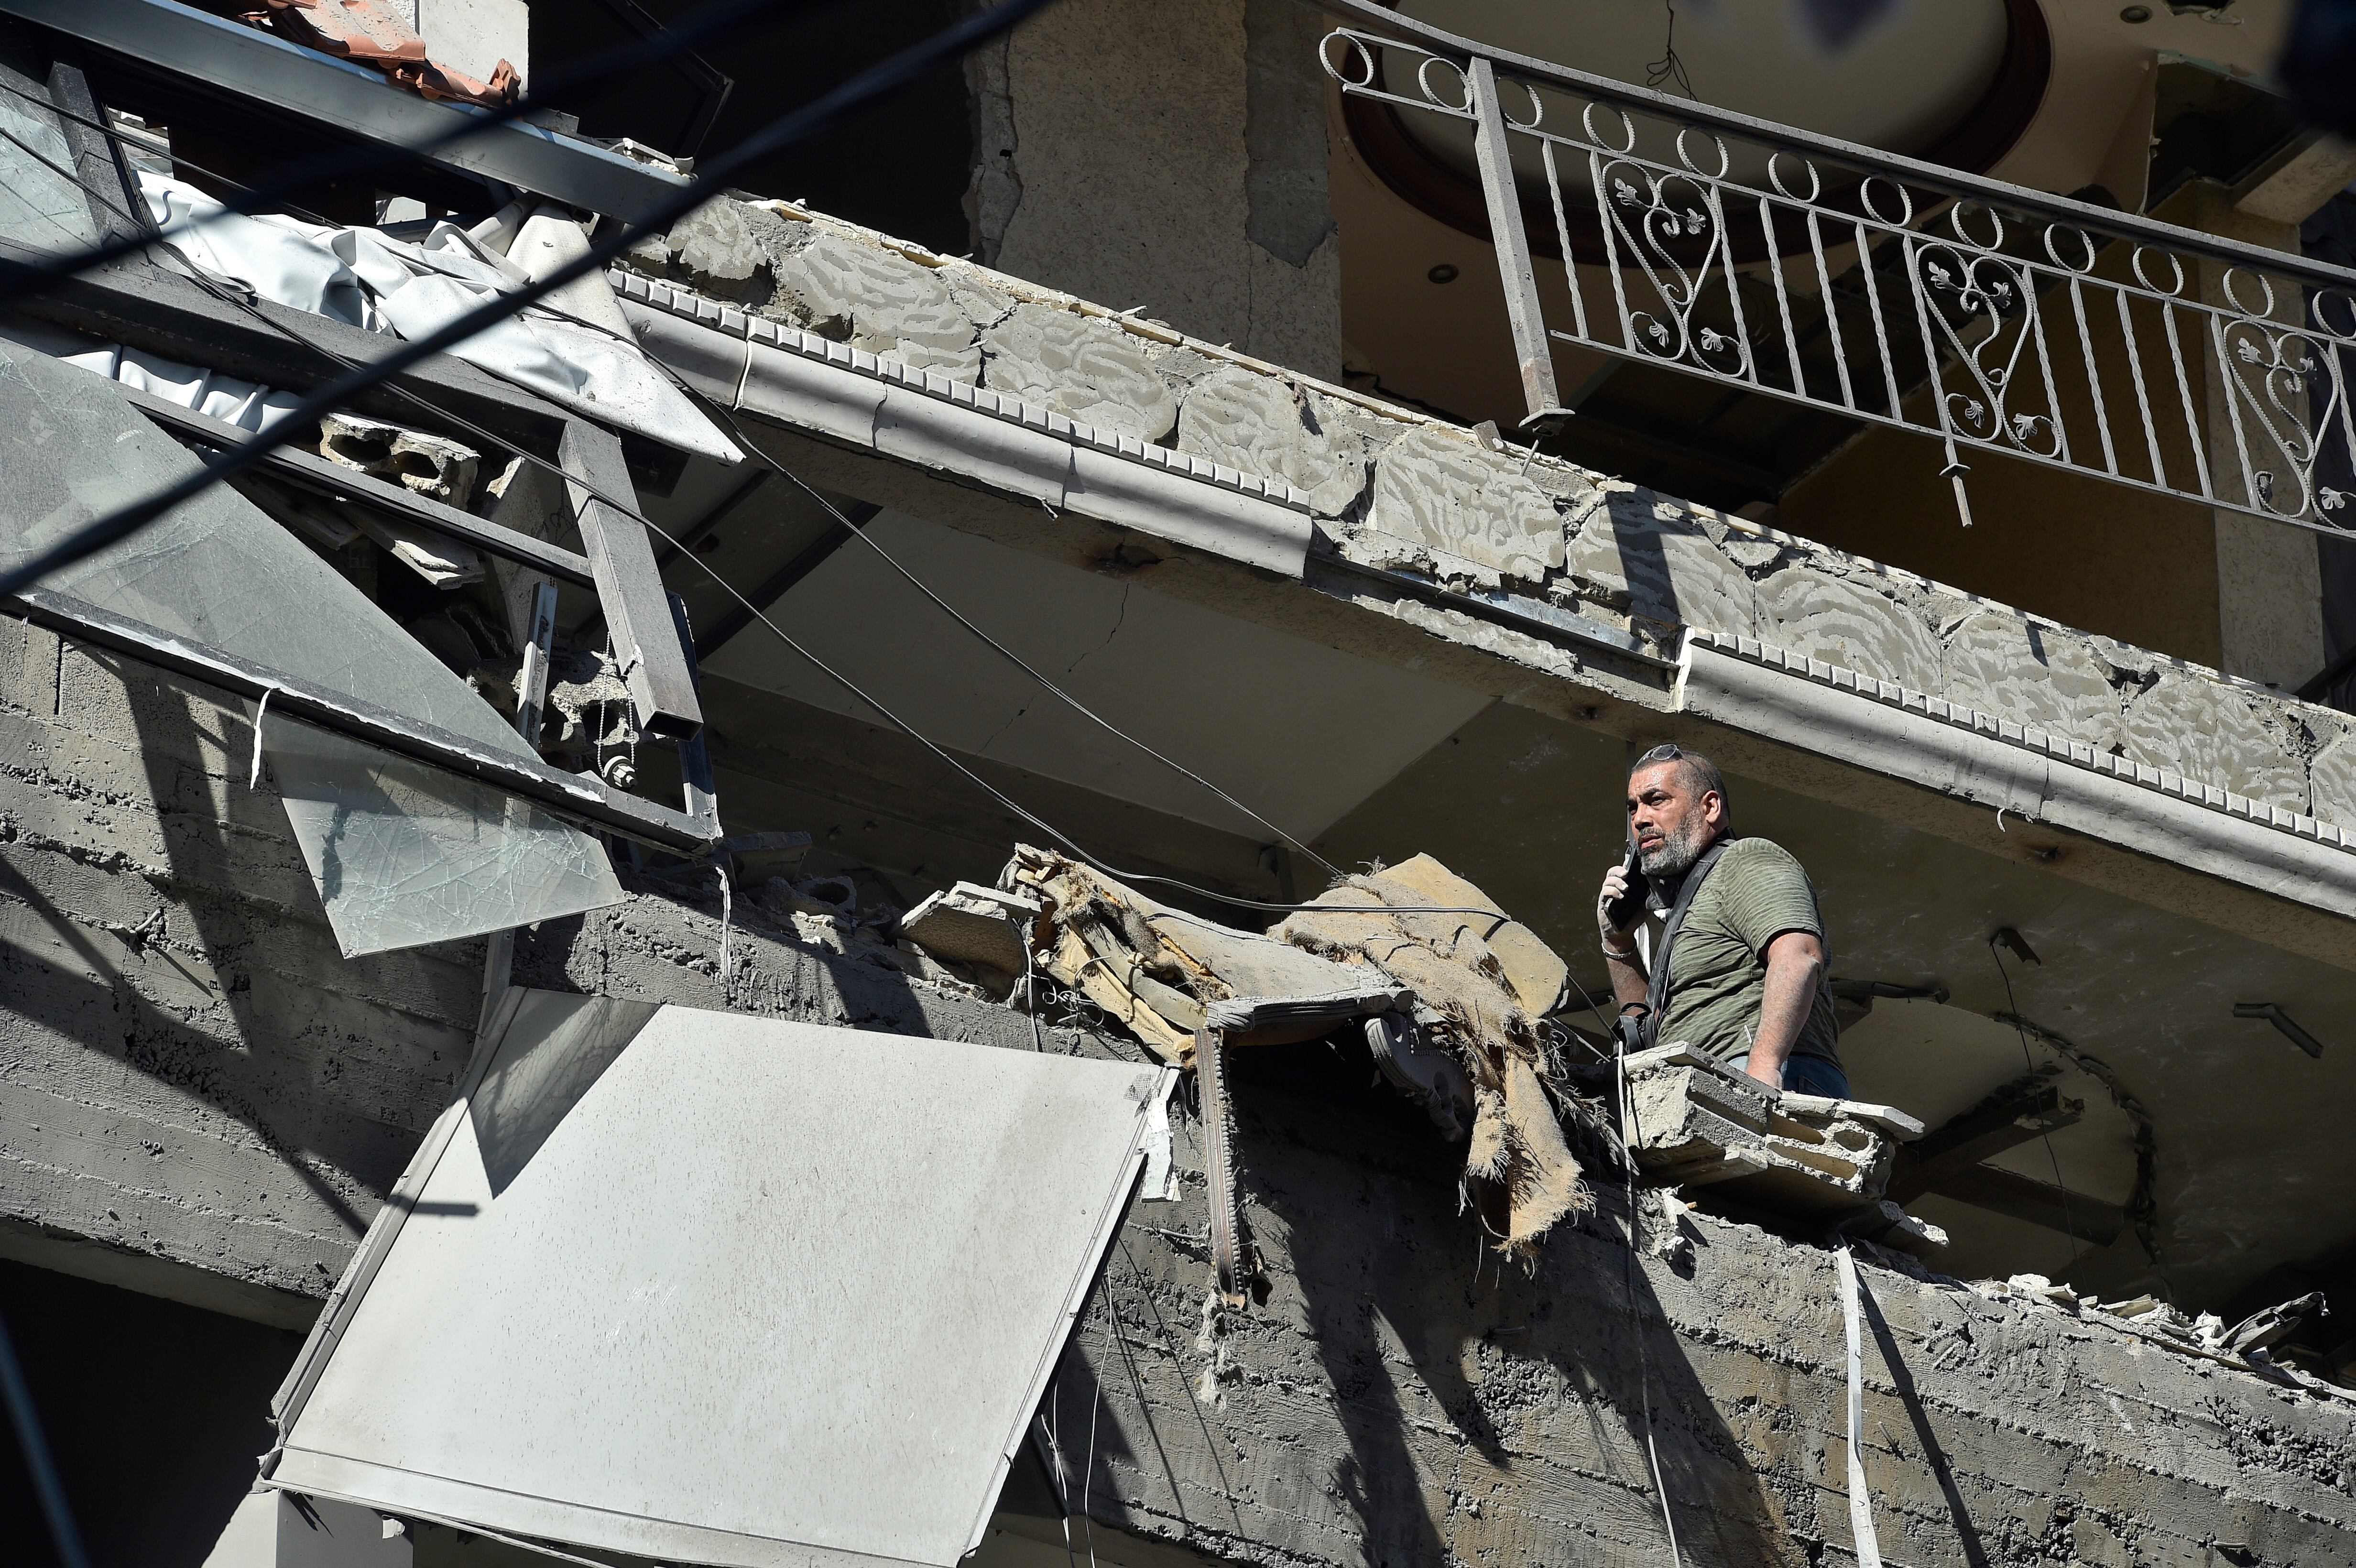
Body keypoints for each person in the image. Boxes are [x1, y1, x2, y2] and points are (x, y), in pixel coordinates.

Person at [1595, 743, 1849, 1098]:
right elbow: (1649, 1033)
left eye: (1657, 801)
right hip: (1702, 1088)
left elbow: (1799, 956)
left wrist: (1762, 1069)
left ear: (1710, 807)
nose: (1640, 819)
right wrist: (1617, 942)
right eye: (1633, 807)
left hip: (1754, 1075)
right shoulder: (1690, 907)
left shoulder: (1745, 858)